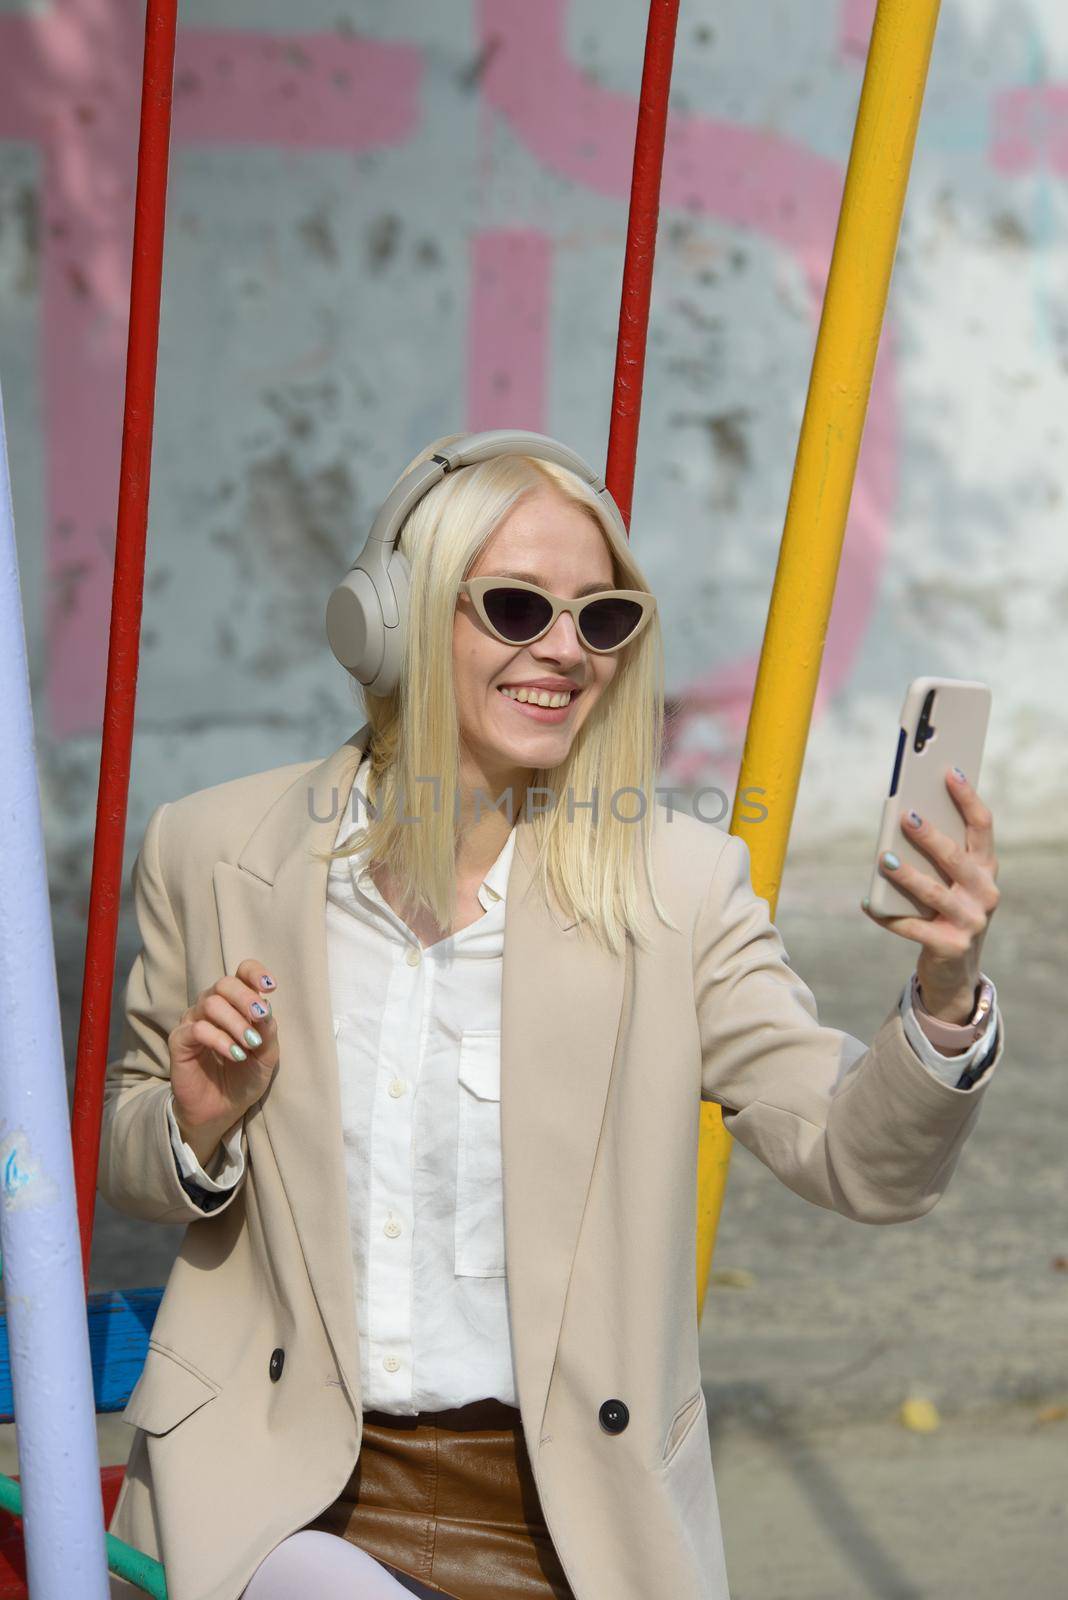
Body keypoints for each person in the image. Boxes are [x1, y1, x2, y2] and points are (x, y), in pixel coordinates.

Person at [101, 432, 1005, 1600]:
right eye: (520, 608)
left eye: (602, 619)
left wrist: (941, 999)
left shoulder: (676, 887)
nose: (566, 652)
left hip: (568, 1521)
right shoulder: (216, 850)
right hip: (271, 1500)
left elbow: (854, 1157)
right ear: (394, 622)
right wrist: (195, 1119)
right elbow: (133, 1153)